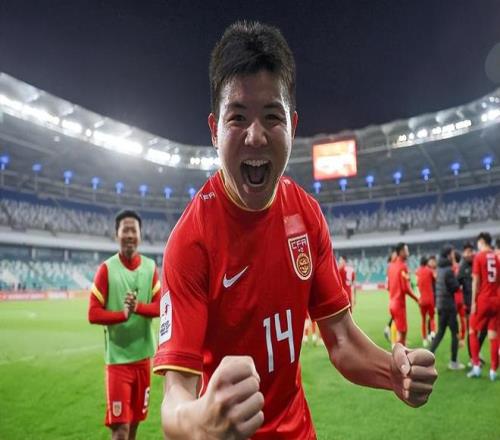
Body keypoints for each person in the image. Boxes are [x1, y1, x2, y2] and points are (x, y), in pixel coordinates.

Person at [153, 22, 437, 439]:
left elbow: (341, 340)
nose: (255, 135)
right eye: (237, 118)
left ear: (293, 126)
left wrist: (393, 373)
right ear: (214, 130)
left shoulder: (306, 215)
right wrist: (199, 421)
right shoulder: (190, 242)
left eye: (272, 117)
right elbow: (175, 399)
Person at [88, 210, 161, 439]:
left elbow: (161, 307)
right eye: (125, 230)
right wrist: (122, 314)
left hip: (143, 360)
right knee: (120, 429)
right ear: (116, 234)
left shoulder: (150, 268)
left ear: (140, 235)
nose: (129, 234)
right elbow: (93, 313)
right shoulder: (106, 269)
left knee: (135, 425)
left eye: (133, 230)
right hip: (118, 362)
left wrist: (137, 307)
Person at [467, 232, 498, 381]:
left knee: (472, 330)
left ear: (482, 241)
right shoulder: (496, 257)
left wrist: (473, 302)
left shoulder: (479, 257)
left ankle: (476, 367)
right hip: (496, 300)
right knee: (493, 335)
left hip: (483, 300)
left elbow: (476, 281)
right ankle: (493, 371)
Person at [429, 245, 464, 370]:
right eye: (452, 253)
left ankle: (427, 357)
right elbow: (455, 287)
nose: (454, 255)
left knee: (440, 332)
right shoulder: (448, 270)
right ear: (449, 255)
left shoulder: (440, 269)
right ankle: (454, 362)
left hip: (441, 305)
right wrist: (459, 282)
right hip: (449, 306)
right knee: (455, 334)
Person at [458, 242, 486, 364]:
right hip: (469, 305)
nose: (469, 254)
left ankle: (476, 352)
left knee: (484, 329)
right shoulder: (462, 267)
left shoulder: (478, 262)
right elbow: (456, 285)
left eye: (471, 251)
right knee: (472, 331)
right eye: (467, 252)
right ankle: (472, 357)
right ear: (464, 253)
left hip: (482, 302)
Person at [387, 242, 419, 346]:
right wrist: (417, 299)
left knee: (399, 333)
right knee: (402, 335)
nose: (408, 253)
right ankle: (398, 354)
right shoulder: (402, 266)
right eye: (406, 250)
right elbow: (405, 288)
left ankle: (397, 347)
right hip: (399, 305)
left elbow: (389, 286)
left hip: (391, 303)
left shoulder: (391, 266)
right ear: (401, 252)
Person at [415, 256, 436, 347]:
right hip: (430, 299)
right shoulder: (430, 271)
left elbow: (415, 284)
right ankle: (432, 333)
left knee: (423, 320)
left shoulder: (417, 272)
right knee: (432, 318)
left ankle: (424, 339)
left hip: (421, 300)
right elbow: (435, 279)